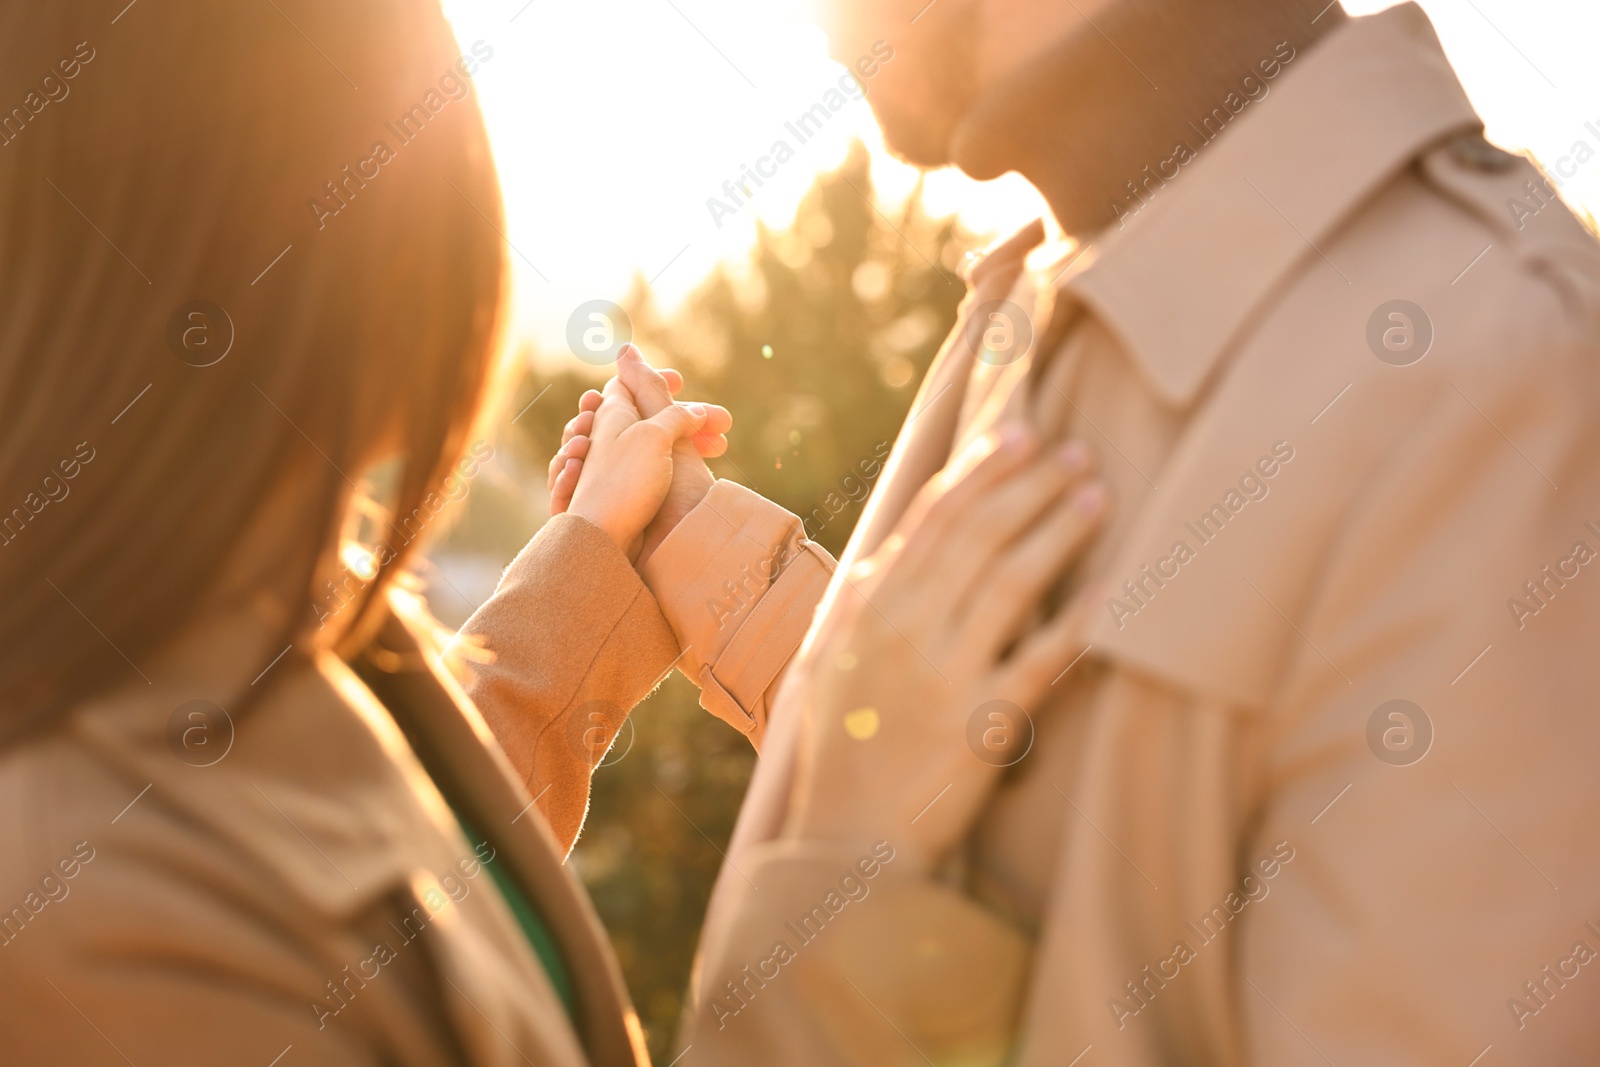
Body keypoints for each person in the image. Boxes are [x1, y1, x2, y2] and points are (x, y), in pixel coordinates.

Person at [647, 0, 1600, 1064]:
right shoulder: (1050, 279)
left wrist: (840, 878)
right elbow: (1027, 770)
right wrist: (690, 546)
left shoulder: (1503, 380)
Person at [0, 3, 856, 1064]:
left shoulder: (237, 639)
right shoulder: (92, 915)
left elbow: (406, 878)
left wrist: (599, 550)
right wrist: (861, 920)